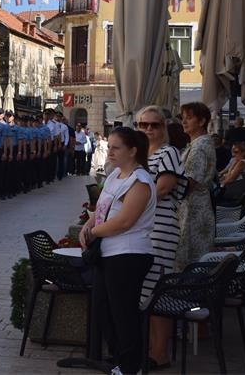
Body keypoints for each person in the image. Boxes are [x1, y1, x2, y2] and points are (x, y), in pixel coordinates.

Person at [78, 127, 156, 375]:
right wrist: (88, 225)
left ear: (132, 151)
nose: (109, 151)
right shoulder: (114, 176)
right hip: (108, 253)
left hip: (128, 254)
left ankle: (131, 366)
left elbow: (125, 221)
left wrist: (94, 233)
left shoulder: (140, 181)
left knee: (124, 314)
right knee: (105, 311)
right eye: (109, 146)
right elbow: (101, 209)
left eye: (116, 147)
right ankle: (119, 361)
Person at [136, 106, 186, 370]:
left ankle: (160, 353)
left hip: (161, 228)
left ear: (163, 128)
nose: (148, 129)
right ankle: (149, 348)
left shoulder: (168, 152)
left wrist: (132, 204)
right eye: (143, 125)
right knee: (146, 287)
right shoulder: (141, 155)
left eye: (154, 125)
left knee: (157, 289)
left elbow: (165, 187)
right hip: (142, 228)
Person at [175, 102, 216, 272]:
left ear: (202, 121)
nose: (184, 122)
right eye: (183, 118)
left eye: (189, 118)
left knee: (191, 258)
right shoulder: (199, 143)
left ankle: (187, 294)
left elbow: (188, 183)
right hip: (197, 206)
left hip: (193, 209)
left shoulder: (199, 147)